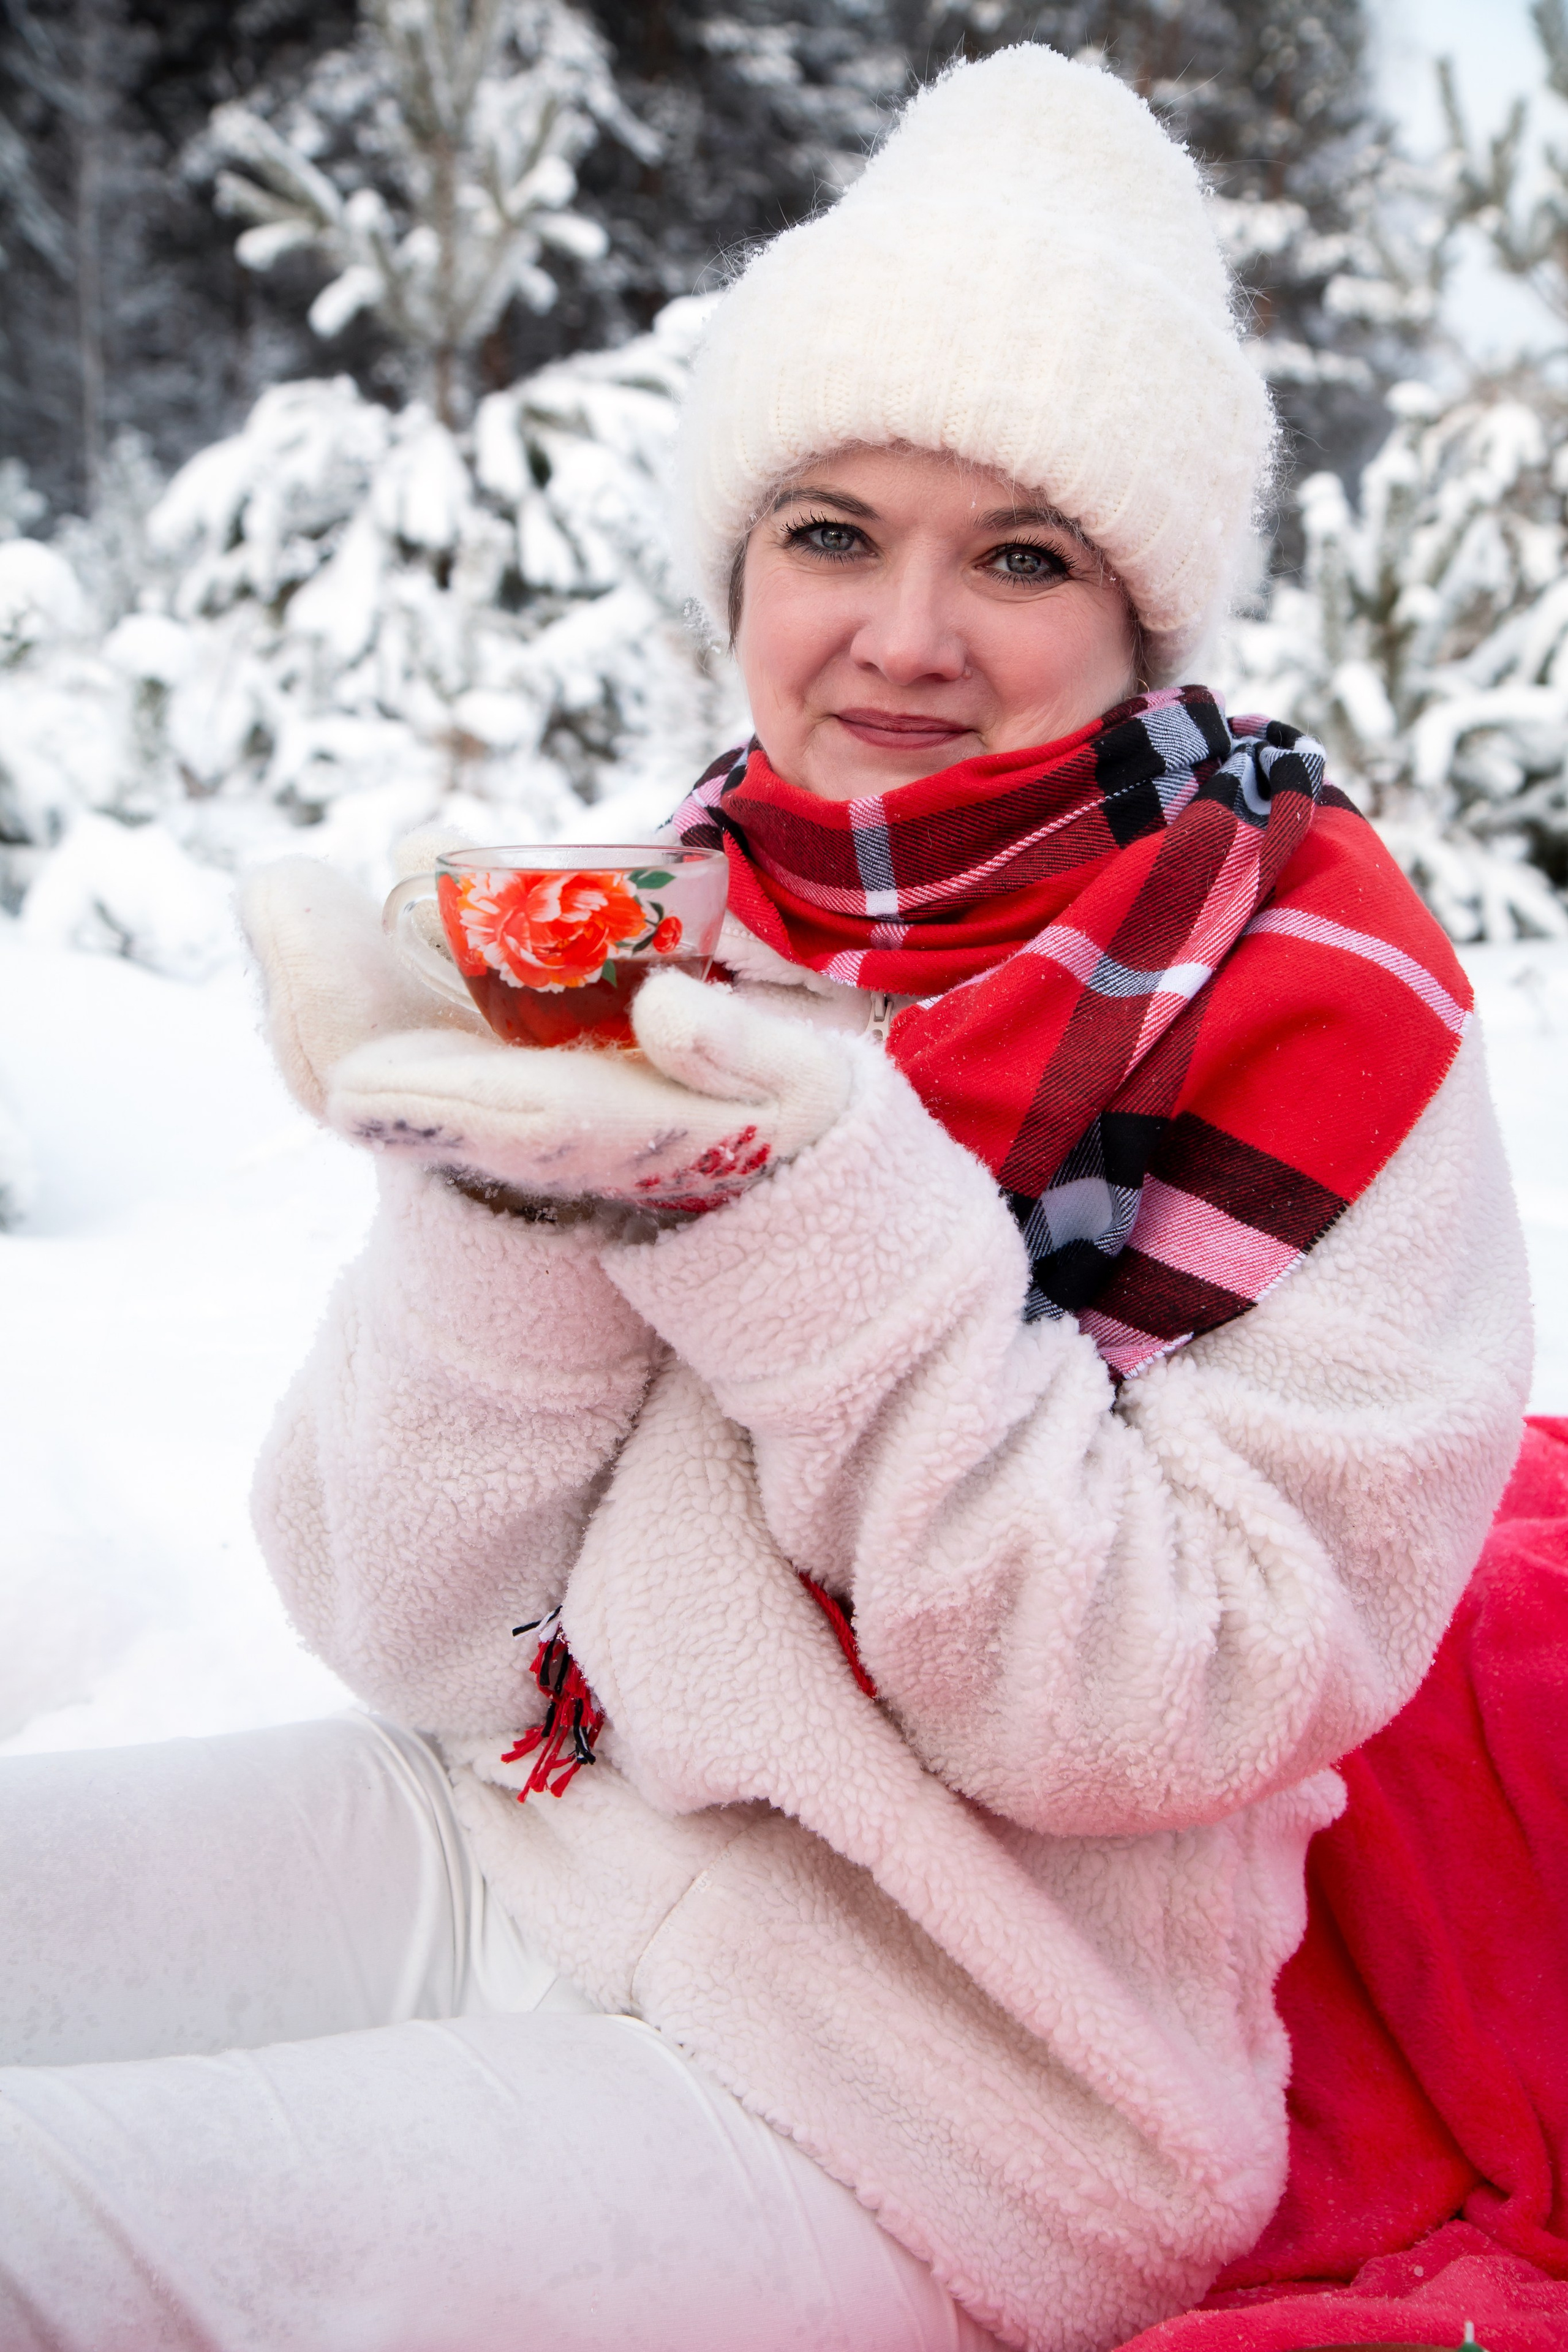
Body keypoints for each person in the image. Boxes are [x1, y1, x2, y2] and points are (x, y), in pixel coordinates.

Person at [0, 45, 1531, 2352]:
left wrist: (811, 1208)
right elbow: (405, 1625)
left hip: (943, 2085)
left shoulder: (1326, 1023)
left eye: (1020, 555)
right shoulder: (686, 926)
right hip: (528, 1828)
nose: (904, 634)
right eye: (831, 532)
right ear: (739, 568)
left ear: (1145, 622)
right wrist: (519, 1185)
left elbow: (1146, 1709)